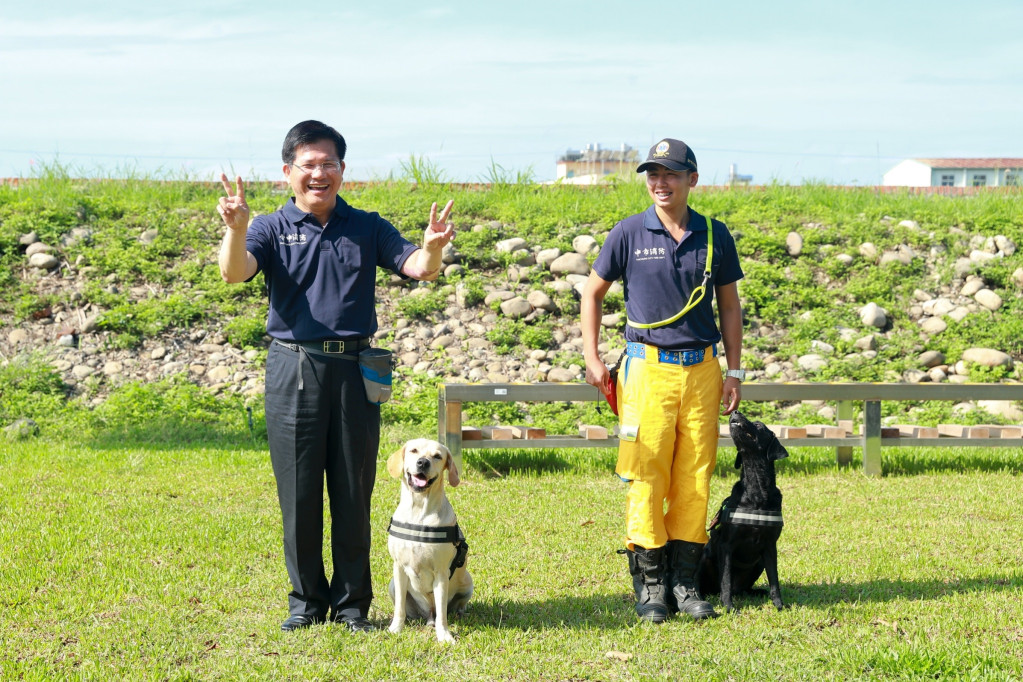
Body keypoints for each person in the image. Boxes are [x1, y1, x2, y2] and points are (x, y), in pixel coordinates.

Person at [216, 120, 455, 633]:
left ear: (342, 170)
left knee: (353, 490)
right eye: (308, 165)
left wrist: (432, 246)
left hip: (354, 369)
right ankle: (305, 602)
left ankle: (352, 606)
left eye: (329, 163)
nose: (318, 173)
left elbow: (417, 267)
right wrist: (236, 228)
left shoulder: (366, 225)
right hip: (292, 367)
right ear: (288, 172)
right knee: (299, 495)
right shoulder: (270, 228)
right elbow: (235, 272)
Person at [581, 138, 745, 623]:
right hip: (646, 371)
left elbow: (729, 307)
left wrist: (734, 370)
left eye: (671, 174)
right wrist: (591, 355)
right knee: (647, 476)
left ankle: (686, 583)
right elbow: (592, 294)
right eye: (653, 174)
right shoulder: (629, 233)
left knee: (695, 476)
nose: (660, 183)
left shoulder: (715, 235)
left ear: (692, 180)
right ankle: (651, 586)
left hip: (703, 372)